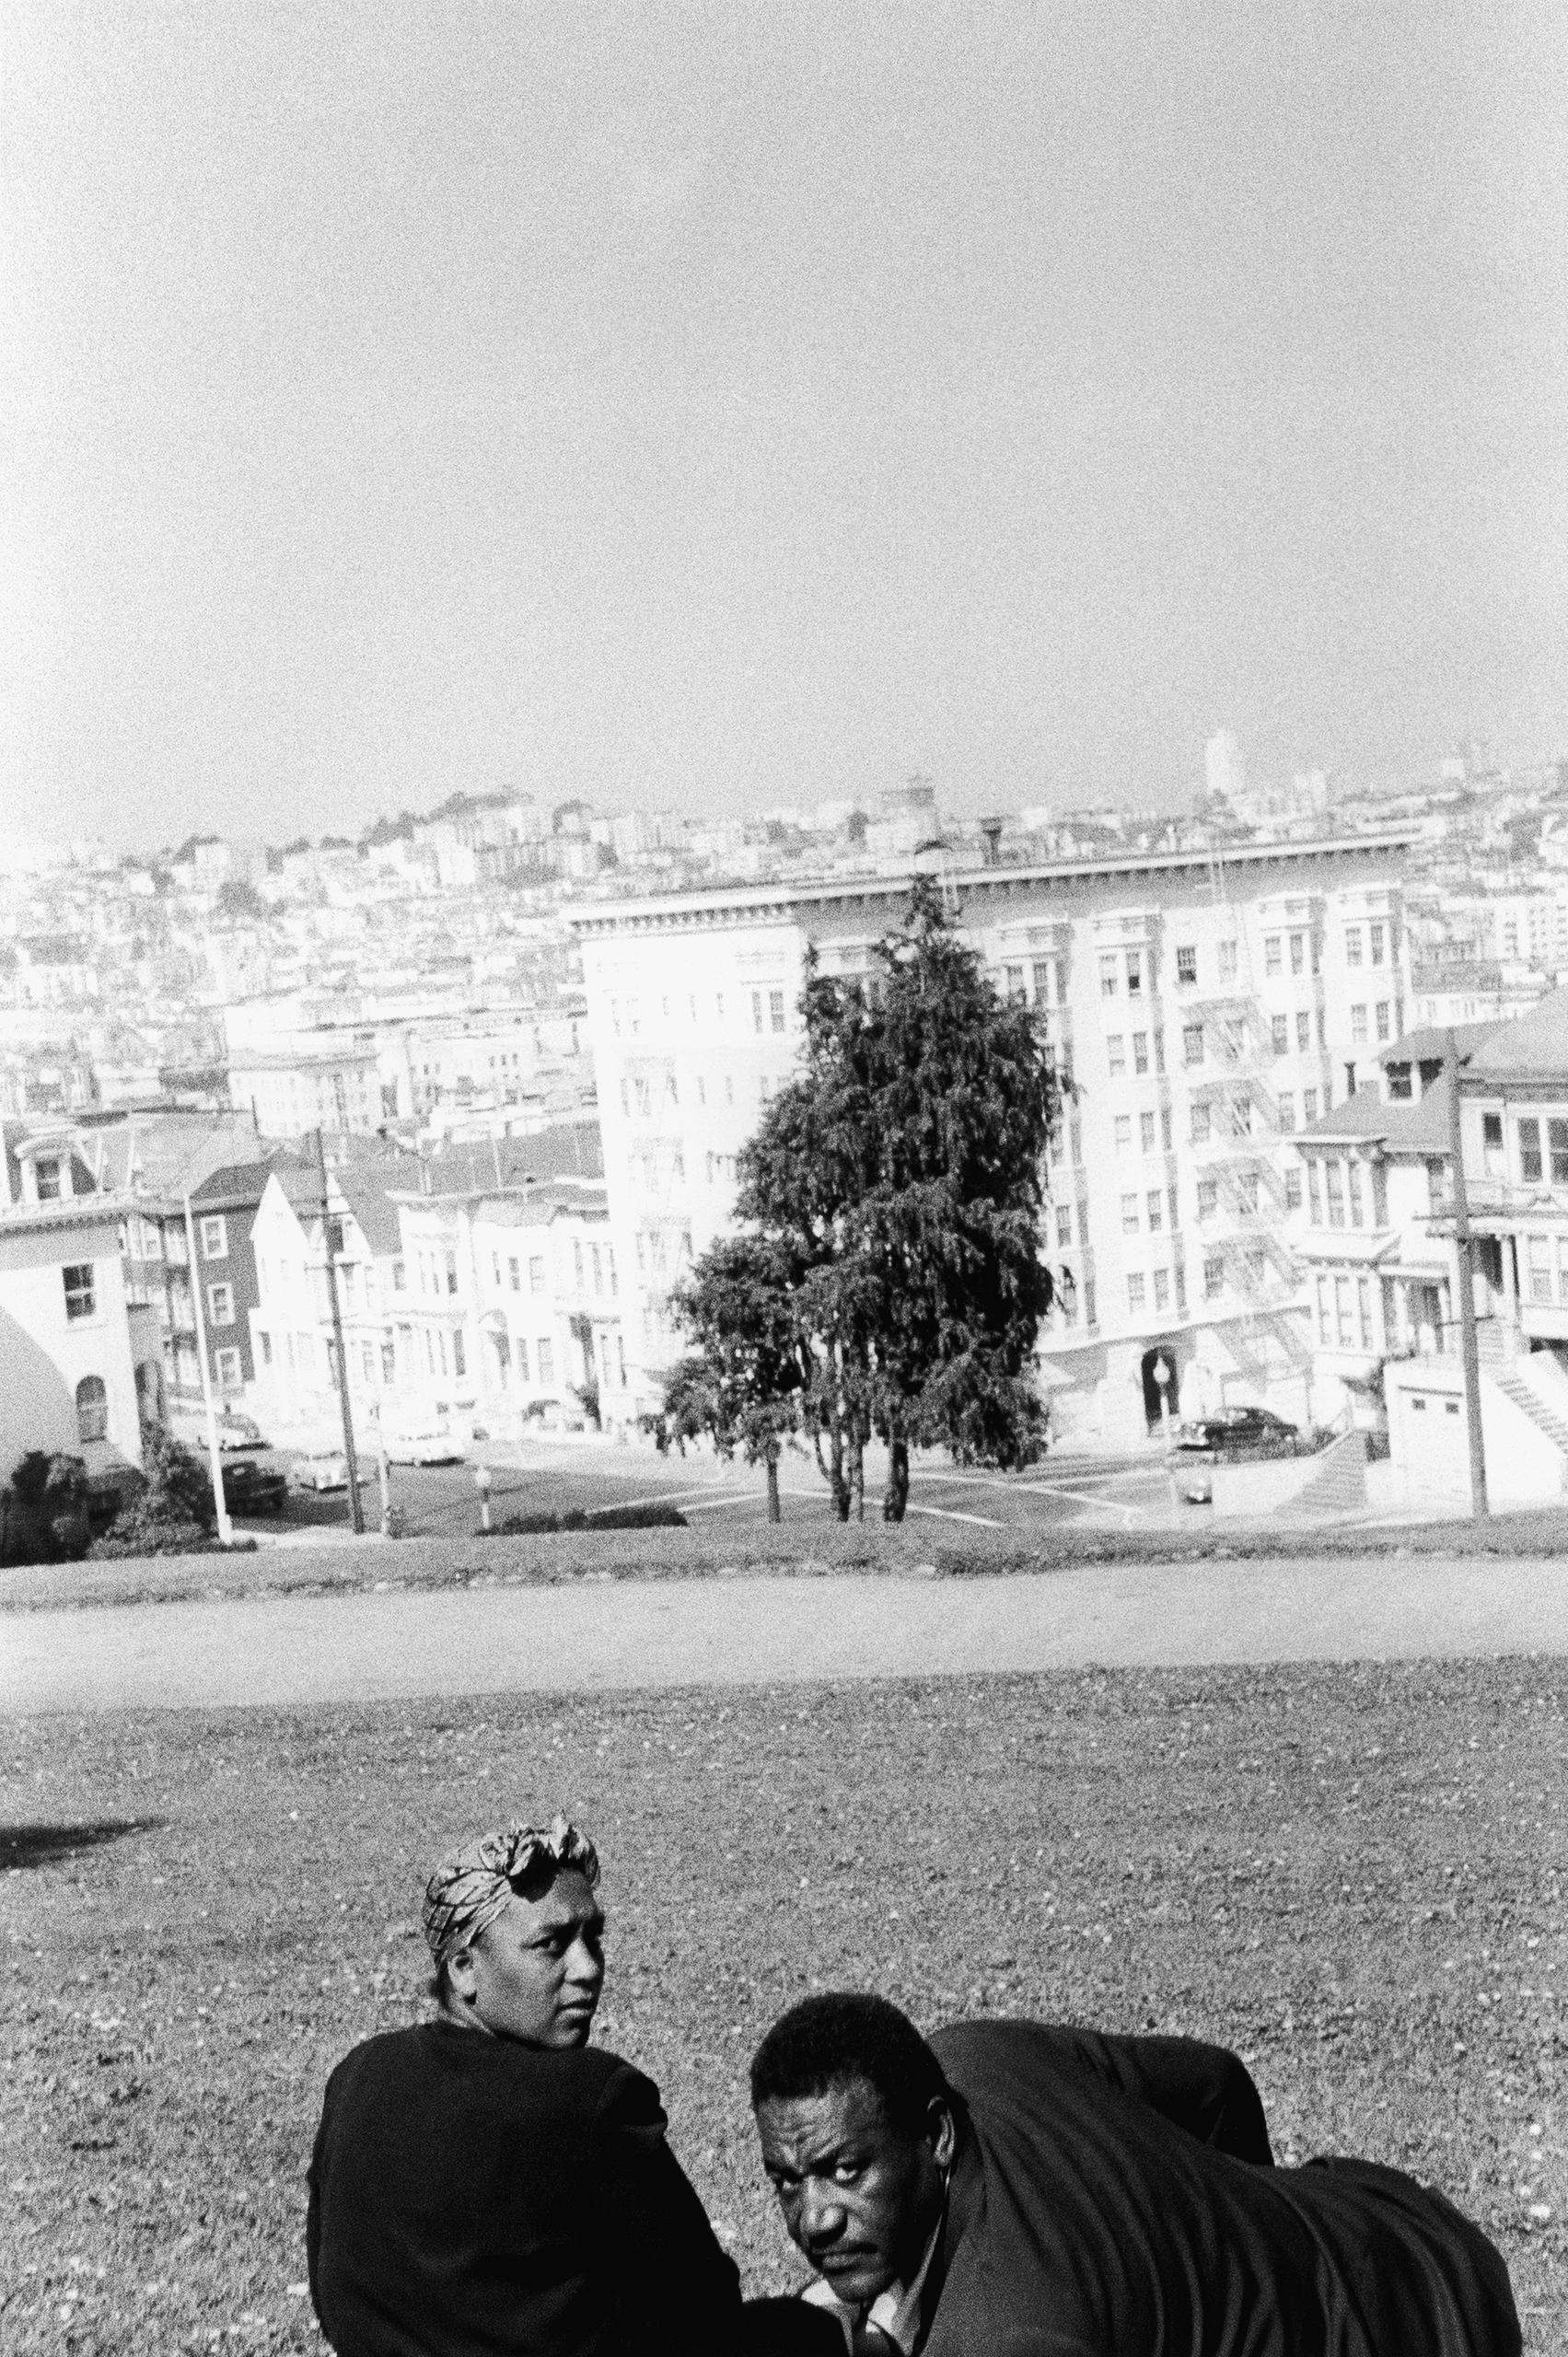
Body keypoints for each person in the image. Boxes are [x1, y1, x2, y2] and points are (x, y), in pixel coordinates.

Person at [308, 1816, 838, 2357]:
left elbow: (334, 2291)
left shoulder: (358, 2075)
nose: (588, 1968)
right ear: (464, 1969)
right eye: (551, 1944)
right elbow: (704, 2306)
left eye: (593, 1937)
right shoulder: (589, 2098)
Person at [749, 1993, 1520, 2357]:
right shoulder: (971, 2056)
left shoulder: (1010, 2334)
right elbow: (1214, 2081)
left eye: (845, 2171)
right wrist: (1237, 2258)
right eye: (787, 2180)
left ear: (936, 2137)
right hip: (1384, 2222)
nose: (813, 2218)